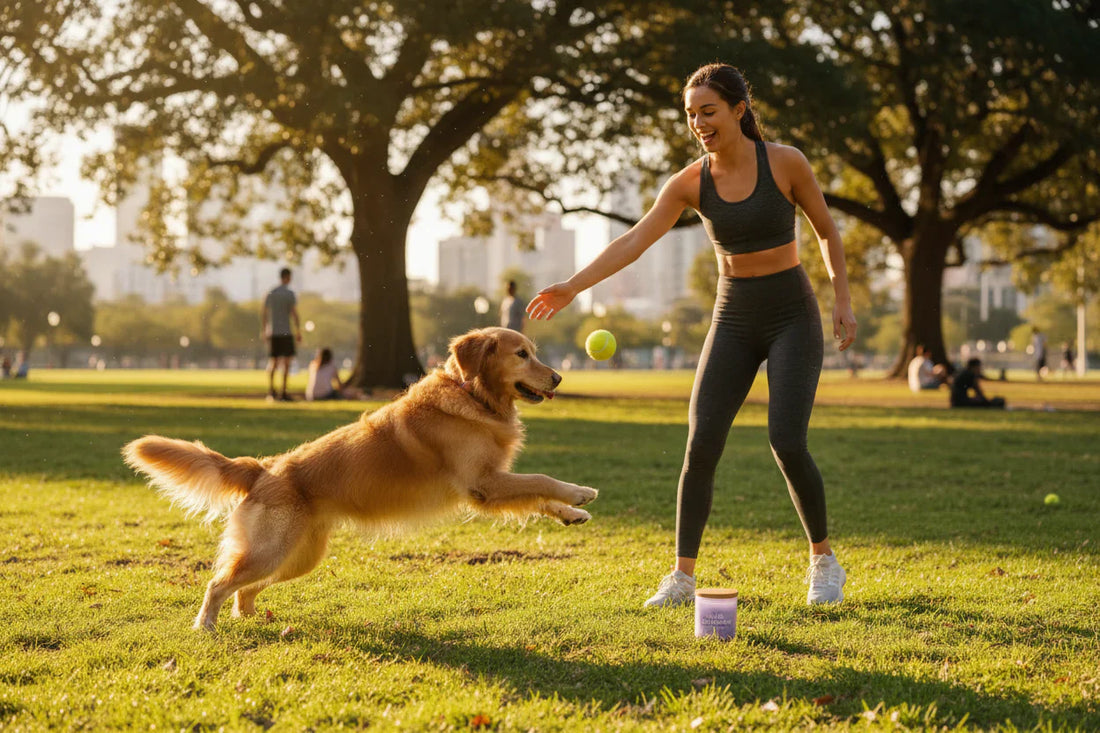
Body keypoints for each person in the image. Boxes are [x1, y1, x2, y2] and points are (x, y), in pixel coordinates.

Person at [527, 63, 857, 608]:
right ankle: (681, 578)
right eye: (690, 115)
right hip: (734, 317)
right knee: (700, 444)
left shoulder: (786, 163)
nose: (699, 123)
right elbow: (633, 241)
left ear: (739, 110)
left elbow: (825, 228)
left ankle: (824, 563)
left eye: (708, 111)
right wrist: (573, 286)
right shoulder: (689, 182)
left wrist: (841, 299)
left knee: (787, 440)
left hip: (791, 314)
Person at [262, 267, 302, 401]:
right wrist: (298, 330)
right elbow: (294, 314)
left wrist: (265, 329)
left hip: (273, 332)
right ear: (288, 277)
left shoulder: (271, 293)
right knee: (286, 363)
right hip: (286, 332)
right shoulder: (289, 294)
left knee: (273, 361)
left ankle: (271, 391)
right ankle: (283, 392)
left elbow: (264, 313)